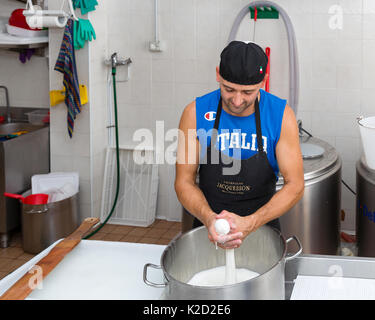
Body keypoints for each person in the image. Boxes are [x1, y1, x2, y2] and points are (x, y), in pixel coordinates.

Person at [175, 41, 304, 249]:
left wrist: (250, 223)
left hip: (263, 228)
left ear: (264, 81)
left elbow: (295, 185)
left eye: (247, 92)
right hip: (208, 229)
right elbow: (184, 181)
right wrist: (209, 219)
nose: (236, 100)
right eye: (229, 89)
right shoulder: (194, 113)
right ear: (218, 74)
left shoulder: (280, 116)